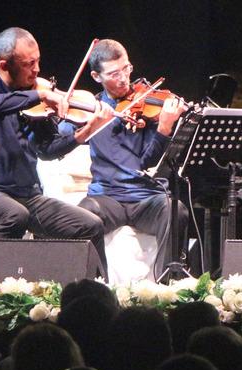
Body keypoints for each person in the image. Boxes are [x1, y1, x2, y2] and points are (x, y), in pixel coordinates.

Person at [0, 27, 113, 272]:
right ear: (5, 65)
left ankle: (97, 294)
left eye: (38, 61)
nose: (37, 69)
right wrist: (38, 95)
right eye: (29, 64)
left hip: (28, 197)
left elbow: (47, 150)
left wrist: (86, 131)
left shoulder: (34, 102)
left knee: (91, 225)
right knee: (14, 215)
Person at [68, 39, 189, 280]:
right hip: (107, 197)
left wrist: (164, 129)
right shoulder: (89, 110)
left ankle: (164, 286)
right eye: (114, 73)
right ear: (96, 76)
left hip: (145, 198)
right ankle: (93, 285)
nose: (124, 78)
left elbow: (148, 162)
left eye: (127, 69)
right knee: (83, 215)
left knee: (177, 212)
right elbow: (59, 141)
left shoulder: (147, 105)